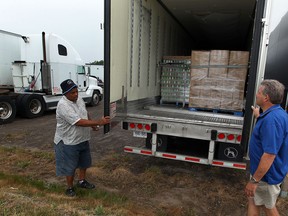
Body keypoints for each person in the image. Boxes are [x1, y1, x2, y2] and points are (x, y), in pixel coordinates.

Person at [54, 79, 110, 197]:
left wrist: (93, 124)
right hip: (69, 141)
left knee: (84, 162)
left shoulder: (78, 99)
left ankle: (82, 181)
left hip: (82, 138)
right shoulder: (63, 105)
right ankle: (69, 187)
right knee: (70, 166)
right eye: (72, 93)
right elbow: (78, 122)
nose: (75, 94)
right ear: (65, 94)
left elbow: (84, 113)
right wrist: (99, 121)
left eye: (76, 91)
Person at [245, 79, 288, 215]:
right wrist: (259, 116)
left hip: (266, 176)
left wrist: (254, 180)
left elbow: (269, 154)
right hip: (265, 173)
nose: (256, 94)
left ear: (266, 97)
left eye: (258, 92)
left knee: (268, 207)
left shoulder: (272, 121)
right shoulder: (276, 114)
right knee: (253, 200)